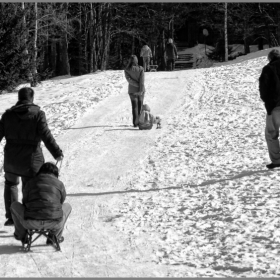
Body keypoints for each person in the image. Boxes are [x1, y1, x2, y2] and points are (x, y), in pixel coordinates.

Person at [0, 87, 63, 226]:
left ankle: (12, 217)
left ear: (19, 98)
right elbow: (46, 135)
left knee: (10, 185)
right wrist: (57, 153)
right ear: (31, 98)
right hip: (32, 160)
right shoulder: (38, 114)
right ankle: (28, 217)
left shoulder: (7, 115)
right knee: (31, 187)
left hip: (11, 159)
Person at [10, 162, 71, 245]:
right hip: (54, 223)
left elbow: (25, 202)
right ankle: (54, 237)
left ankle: (22, 236)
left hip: (31, 223)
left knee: (14, 205)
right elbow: (61, 202)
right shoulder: (59, 184)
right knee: (67, 206)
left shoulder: (30, 182)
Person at [259, 49, 280, 169]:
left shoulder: (268, 69)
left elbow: (263, 88)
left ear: (270, 58)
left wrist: (268, 102)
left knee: (272, 134)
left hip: (275, 106)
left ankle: (277, 160)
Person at [124, 55, 145, 127]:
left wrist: (136, 85)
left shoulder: (127, 70)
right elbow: (142, 81)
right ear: (136, 60)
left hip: (132, 91)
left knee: (134, 107)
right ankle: (141, 122)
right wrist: (140, 88)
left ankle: (135, 123)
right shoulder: (141, 69)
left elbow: (129, 80)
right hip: (141, 90)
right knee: (140, 107)